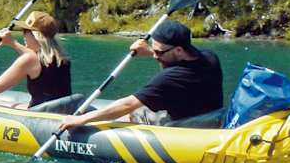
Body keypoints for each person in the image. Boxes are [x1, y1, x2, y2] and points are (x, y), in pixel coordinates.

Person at [57, 18, 222, 131]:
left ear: (179, 50)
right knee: (145, 106)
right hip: (207, 119)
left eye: (158, 52)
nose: (156, 56)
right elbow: (181, 64)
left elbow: (127, 104)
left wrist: (81, 120)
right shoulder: (210, 57)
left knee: (133, 112)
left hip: (181, 127)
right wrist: (150, 52)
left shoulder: (169, 78)